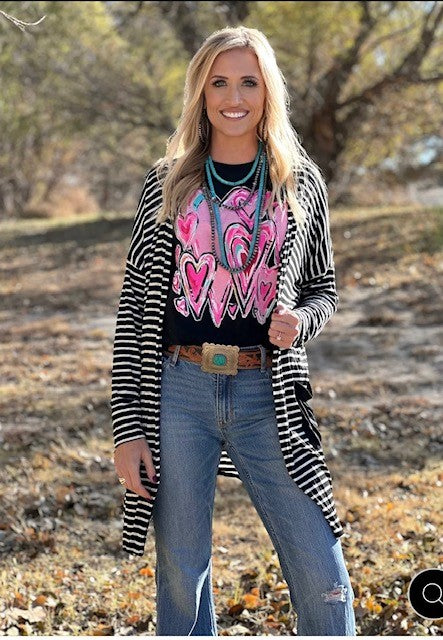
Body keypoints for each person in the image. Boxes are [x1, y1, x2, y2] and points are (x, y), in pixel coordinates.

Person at [111, 26, 356, 636]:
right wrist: (127, 429)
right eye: (219, 82)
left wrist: (302, 321)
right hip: (178, 391)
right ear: (201, 92)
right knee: (181, 576)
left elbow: (323, 287)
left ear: (268, 90)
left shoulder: (299, 183)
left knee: (321, 569)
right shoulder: (168, 183)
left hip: (266, 392)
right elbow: (134, 310)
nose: (233, 96)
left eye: (248, 81)